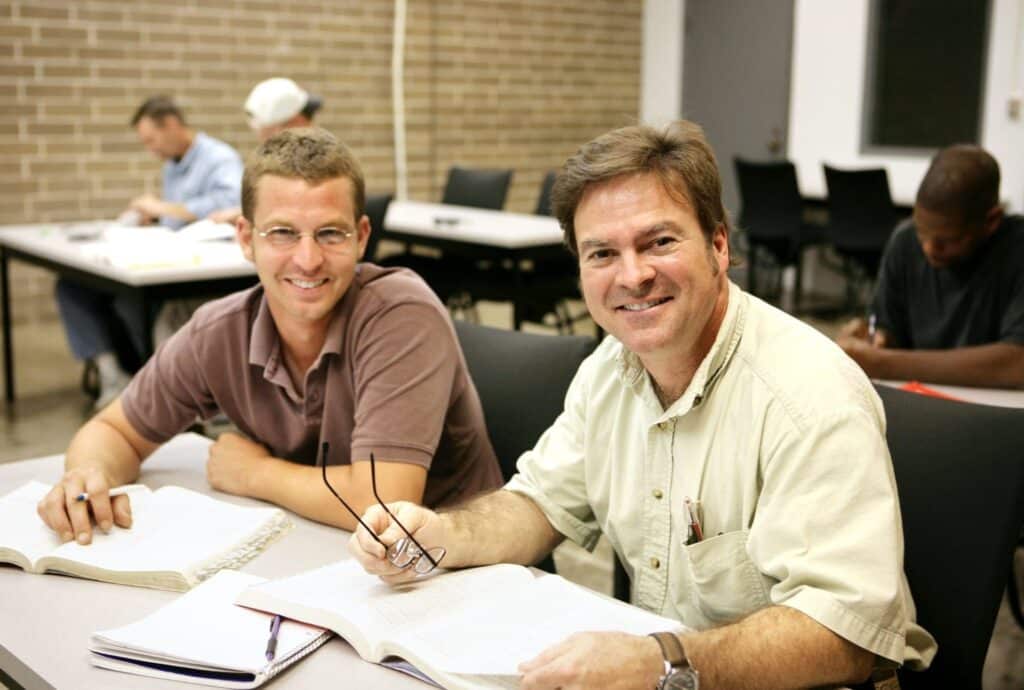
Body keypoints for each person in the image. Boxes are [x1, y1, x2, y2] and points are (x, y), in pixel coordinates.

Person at [348, 121, 935, 690]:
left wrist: (662, 663)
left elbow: (847, 637)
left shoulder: (808, 395)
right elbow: (539, 505)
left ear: (718, 245)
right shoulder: (610, 369)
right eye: (602, 253)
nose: (633, 275)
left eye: (659, 242)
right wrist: (437, 533)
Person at [38, 128, 502, 549]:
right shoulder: (219, 331)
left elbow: (383, 503)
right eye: (282, 233)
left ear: (361, 238)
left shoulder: (400, 314)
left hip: (455, 570)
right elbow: (113, 430)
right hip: (320, 549)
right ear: (245, 238)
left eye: (330, 234)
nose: (307, 259)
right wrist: (89, 475)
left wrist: (254, 474)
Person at [56, 96, 244, 407]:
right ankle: (114, 375)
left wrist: (163, 207)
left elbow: (230, 206)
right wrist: (156, 216)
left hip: (201, 264)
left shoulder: (219, 157)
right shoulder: (172, 165)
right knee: (73, 286)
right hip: (170, 251)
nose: (150, 149)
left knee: (131, 298)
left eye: (151, 140)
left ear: (171, 125)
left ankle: (164, 386)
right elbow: (178, 214)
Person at [838, 144, 1024, 389]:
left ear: (991, 221)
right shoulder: (904, 240)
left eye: (948, 241)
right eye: (922, 233)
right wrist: (873, 339)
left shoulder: (1017, 249)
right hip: (920, 397)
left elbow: (1016, 364)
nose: (929, 249)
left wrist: (883, 363)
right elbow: (887, 329)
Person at [208, 78, 324, 225]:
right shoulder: (280, 160)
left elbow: (300, 207)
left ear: (296, 121)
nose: (262, 138)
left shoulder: (319, 159)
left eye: (264, 131)